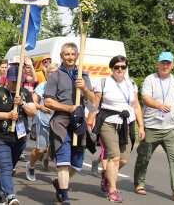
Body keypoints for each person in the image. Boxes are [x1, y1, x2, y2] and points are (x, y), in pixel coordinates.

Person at [134, 52, 174, 202]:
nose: (165, 66)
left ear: (172, 65)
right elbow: (146, 98)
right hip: (152, 127)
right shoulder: (150, 79)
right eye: (162, 63)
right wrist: (159, 105)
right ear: (157, 64)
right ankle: (139, 183)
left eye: (168, 63)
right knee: (144, 157)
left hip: (170, 129)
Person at [44, 42, 96, 205]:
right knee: (63, 160)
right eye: (66, 54)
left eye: (73, 54)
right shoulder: (55, 76)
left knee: (77, 163)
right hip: (61, 121)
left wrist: (85, 89)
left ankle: (60, 184)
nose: (70, 57)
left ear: (77, 56)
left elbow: (93, 100)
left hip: (78, 122)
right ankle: (64, 197)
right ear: (61, 56)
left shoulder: (83, 75)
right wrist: (69, 108)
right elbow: (48, 102)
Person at [92, 55, 145, 203]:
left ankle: (106, 175)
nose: (120, 70)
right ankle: (113, 190)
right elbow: (95, 103)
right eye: (117, 67)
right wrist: (89, 118)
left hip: (127, 123)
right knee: (114, 157)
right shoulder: (103, 82)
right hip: (108, 122)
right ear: (112, 68)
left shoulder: (131, 84)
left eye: (123, 67)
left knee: (124, 160)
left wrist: (141, 126)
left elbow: (136, 106)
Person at [0, 63, 37, 205]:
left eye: (17, 80)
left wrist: (22, 104)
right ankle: (10, 196)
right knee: (6, 166)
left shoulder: (25, 93)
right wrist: (7, 115)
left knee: (7, 168)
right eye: (12, 80)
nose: (15, 83)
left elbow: (33, 112)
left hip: (19, 138)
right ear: (7, 78)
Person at [26, 63, 58, 181]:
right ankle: (31, 165)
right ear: (46, 74)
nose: (53, 75)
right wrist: (40, 107)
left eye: (55, 72)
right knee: (41, 149)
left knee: (58, 148)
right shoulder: (42, 86)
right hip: (43, 120)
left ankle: (61, 176)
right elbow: (33, 101)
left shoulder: (62, 87)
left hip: (58, 122)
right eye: (50, 72)